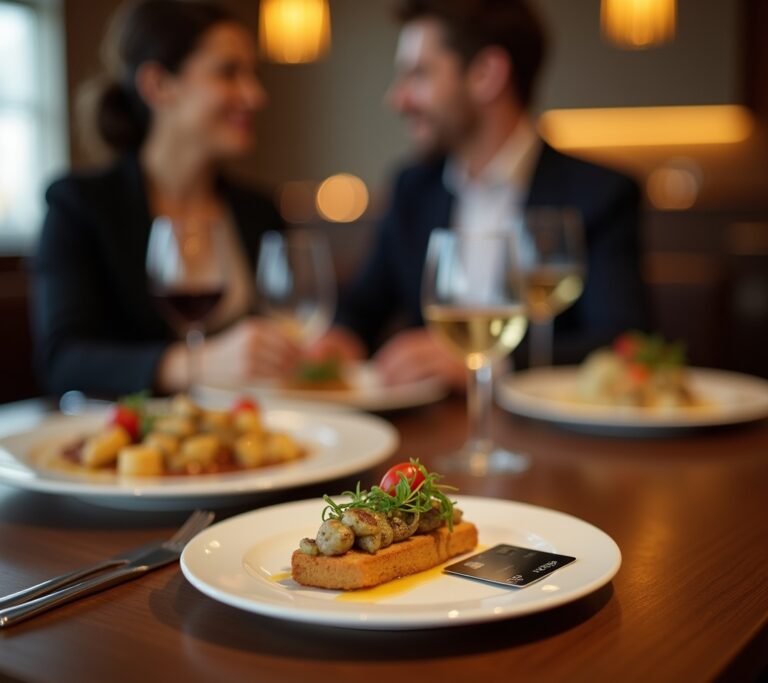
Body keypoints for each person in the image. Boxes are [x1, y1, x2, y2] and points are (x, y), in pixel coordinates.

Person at [321, 0, 648, 388]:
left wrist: (487, 363)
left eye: (419, 75)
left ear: (486, 74)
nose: (397, 99)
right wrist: (335, 344)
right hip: (431, 435)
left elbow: (623, 342)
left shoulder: (599, 194)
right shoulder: (413, 187)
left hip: (543, 435)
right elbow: (362, 308)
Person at [33, 0, 299, 397]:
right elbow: (64, 362)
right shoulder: (80, 205)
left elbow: (290, 322)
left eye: (253, 74)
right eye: (229, 72)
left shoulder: (258, 210)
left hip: (255, 438)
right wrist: (198, 364)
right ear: (158, 84)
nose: (254, 95)